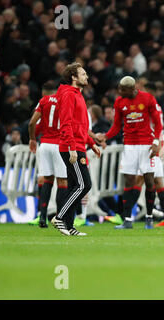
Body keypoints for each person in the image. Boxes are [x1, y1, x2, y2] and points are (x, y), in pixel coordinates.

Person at [97, 76, 163, 230]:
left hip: (146, 145)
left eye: (123, 90)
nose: (120, 92)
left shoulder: (147, 99)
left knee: (149, 181)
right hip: (129, 146)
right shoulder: (120, 102)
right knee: (128, 181)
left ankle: (149, 217)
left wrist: (155, 142)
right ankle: (127, 220)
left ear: (132, 89)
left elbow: (158, 123)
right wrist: (106, 136)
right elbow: (116, 126)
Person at [51, 62, 102, 236]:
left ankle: (69, 226)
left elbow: (79, 125)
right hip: (71, 147)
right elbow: (66, 124)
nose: (86, 76)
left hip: (78, 144)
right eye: (83, 74)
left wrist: (91, 143)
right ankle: (59, 217)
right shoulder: (68, 95)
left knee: (74, 185)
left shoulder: (77, 94)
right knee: (84, 185)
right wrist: (72, 148)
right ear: (73, 77)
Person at [28, 81, 68, 228]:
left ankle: (42, 217)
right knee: (62, 182)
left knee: (47, 180)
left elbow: (32, 123)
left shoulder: (43, 100)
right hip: (59, 144)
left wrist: (32, 139)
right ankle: (59, 218)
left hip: (44, 145)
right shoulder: (65, 100)